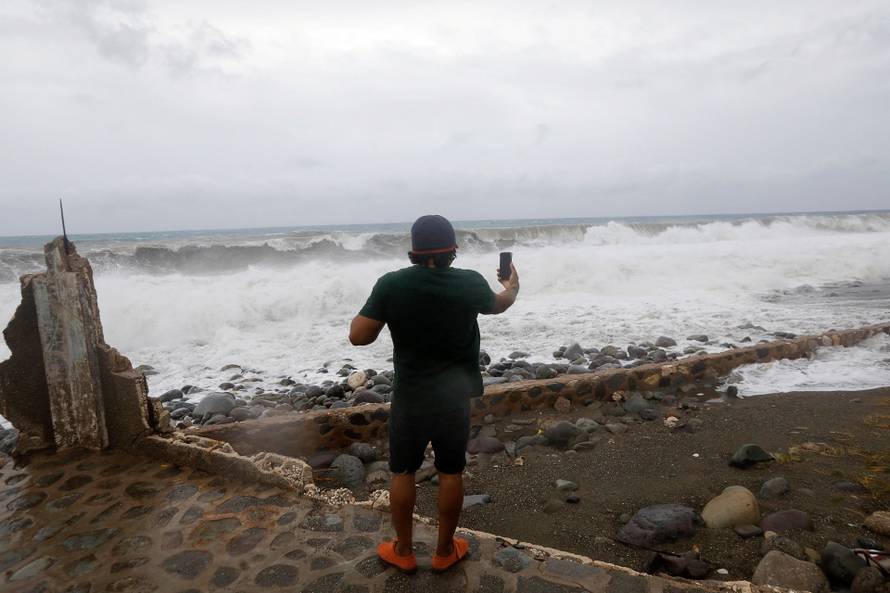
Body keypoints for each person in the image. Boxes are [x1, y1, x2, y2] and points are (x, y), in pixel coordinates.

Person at [349, 214, 519, 573]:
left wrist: (387, 309)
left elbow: (358, 336)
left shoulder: (392, 284)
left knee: (403, 472)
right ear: (452, 250)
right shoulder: (469, 282)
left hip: (411, 397)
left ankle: (404, 550)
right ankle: (444, 551)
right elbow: (499, 304)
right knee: (451, 472)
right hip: (454, 397)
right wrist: (512, 288)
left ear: (413, 250)